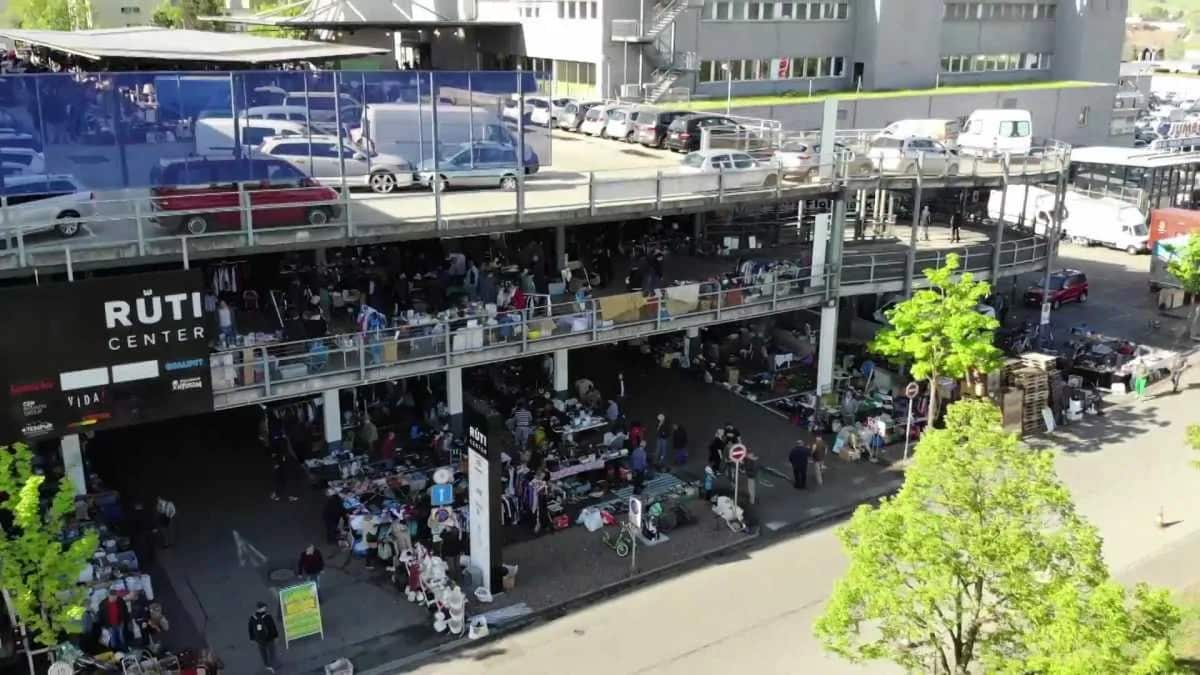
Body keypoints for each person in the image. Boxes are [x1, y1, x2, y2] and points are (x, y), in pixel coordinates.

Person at [248, 602, 280, 673]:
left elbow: (250, 628)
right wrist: (276, 636)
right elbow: (272, 627)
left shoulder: (252, 618)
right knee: (271, 652)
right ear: (260, 608)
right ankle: (272, 664)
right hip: (269, 638)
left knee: (263, 652)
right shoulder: (268, 616)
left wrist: (252, 638)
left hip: (259, 639)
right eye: (264, 607)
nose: (265, 609)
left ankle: (267, 665)